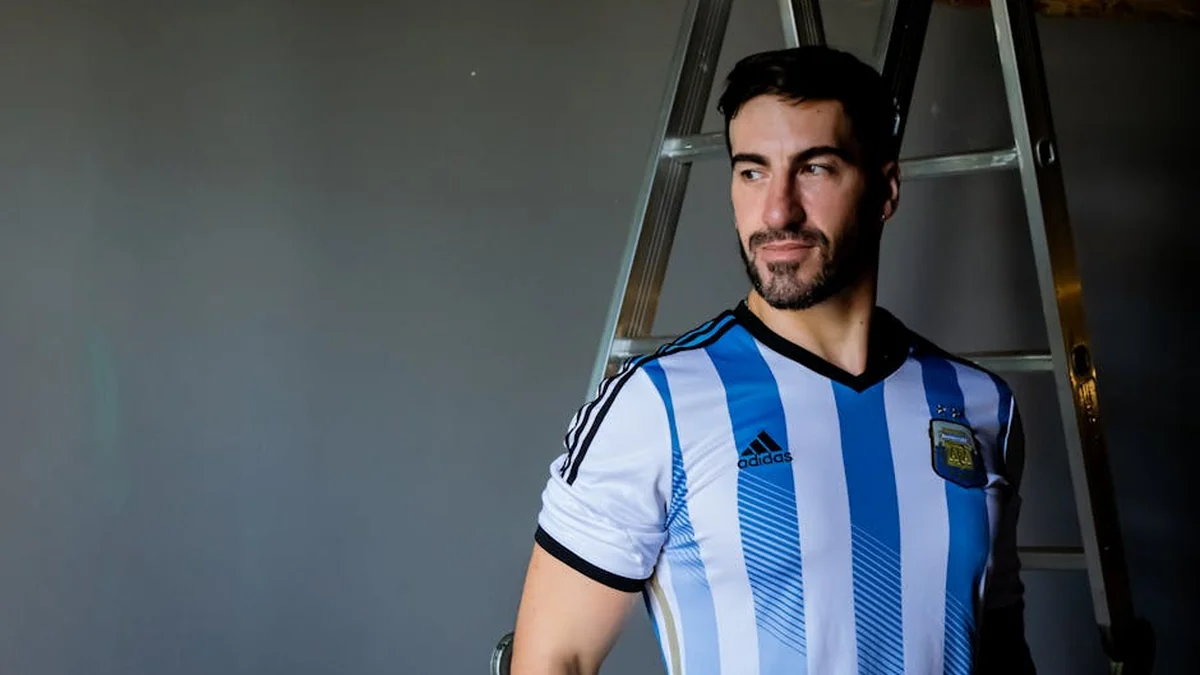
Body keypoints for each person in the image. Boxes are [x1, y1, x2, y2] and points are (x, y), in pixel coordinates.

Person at [509, 45, 1036, 675]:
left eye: (815, 168)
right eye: (752, 172)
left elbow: (1000, 648)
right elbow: (552, 659)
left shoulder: (980, 404)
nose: (779, 210)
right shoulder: (656, 405)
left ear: (886, 190)